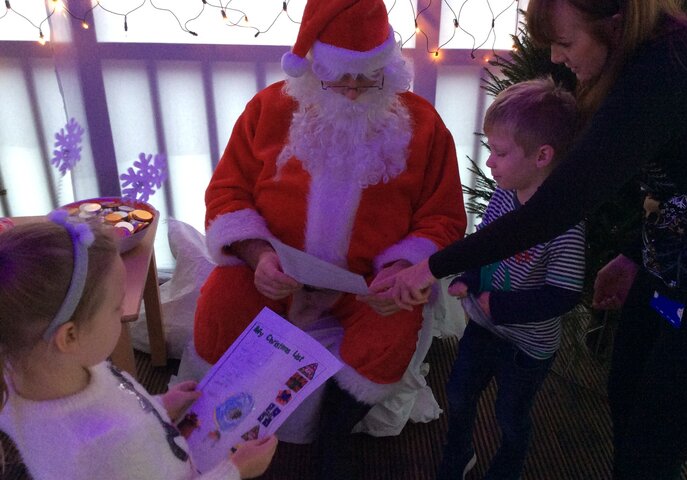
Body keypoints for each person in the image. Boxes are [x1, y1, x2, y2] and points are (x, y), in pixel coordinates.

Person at [373, 0, 687, 478]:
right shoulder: (648, 62)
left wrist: (429, 267)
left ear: (615, 26)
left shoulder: (667, 71)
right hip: (670, 275)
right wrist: (635, 255)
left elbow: (554, 208)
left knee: (653, 444)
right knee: (627, 395)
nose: (554, 57)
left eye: (565, 42)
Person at [185, 0, 466, 477]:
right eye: (340, 78)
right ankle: (222, 423)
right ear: (313, 67)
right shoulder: (267, 109)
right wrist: (257, 255)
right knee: (219, 304)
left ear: (389, 68)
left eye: (370, 78)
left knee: (390, 334)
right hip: (279, 269)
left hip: (369, 284)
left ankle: (333, 442)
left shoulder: (425, 126)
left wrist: (402, 270)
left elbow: (442, 216)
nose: (354, 92)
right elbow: (228, 190)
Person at [0, 214, 278, 480]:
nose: (123, 314)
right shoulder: (114, 440)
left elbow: (115, 399)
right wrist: (236, 470)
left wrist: (161, 406)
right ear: (70, 336)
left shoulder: (29, 371)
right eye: (116, 307)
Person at [437, 77, 585, 480]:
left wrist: (500, 305)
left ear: (542, 156)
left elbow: (566, 292)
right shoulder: (505, 193)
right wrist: (470, 275)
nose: (489, 163)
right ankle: (458, 452)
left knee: (510, 416)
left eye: (499, 153)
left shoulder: (564, 221)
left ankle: (508, 467)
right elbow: (487, 243)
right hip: (484, 328)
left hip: (527, 346)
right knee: (459, 395)